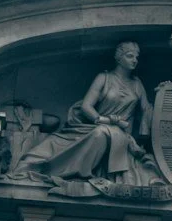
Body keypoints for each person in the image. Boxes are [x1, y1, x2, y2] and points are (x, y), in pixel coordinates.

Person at [22, 41, 155, 189]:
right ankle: (72, 172)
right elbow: (86, 106)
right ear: (118, 58)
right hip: (97, 125)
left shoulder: (137, 84)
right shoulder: (104, 78)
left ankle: (81, 172)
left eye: (137, 57)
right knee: (99, 133)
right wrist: (103, 119)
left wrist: (164, 92)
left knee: (102, 133)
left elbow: (147, 109)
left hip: (121, 133)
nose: (135, 60)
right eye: (130, 56)